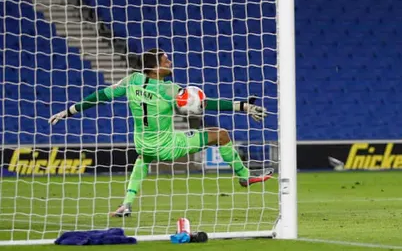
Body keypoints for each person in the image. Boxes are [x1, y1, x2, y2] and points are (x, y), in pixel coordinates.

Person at [49, 48, 272, 217]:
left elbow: (99, 97)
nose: (170, 62)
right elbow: (206, 103)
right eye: (166, 61)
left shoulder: (131, 81)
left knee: (144, 158)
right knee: (221, 134)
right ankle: (244, 177)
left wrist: (69, 111)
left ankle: (126, 204)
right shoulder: (169, 88)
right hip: (168, 145)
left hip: (142, 142)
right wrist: (242, 106)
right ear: (156, 67)